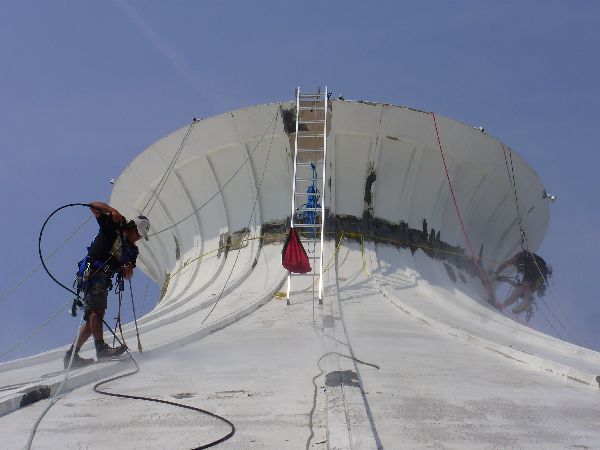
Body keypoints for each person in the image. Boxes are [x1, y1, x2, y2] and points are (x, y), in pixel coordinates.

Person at [63, 202, 150, 369]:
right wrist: (112, 210)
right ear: (132, 227)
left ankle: (71, 356)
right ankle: (101, 350)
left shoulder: (132, 250)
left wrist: (127, 270)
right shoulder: (114, 226)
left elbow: (128, 273)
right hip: (93, 271)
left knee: (92, 319)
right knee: (98, 311)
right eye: (138, 234)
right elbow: (93, 206)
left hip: (102, 276)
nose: (138, 238)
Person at [493, 250, 551, 315]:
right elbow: (520, 287)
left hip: (535, 268)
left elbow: (506, 264)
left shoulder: (520, 258)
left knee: (525, 287)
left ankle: (523, 304)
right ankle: (504, 306)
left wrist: (496, 273)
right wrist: (506, 279)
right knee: (524, 287)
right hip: (537, 271)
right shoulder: (530, 278)